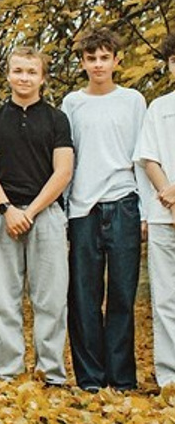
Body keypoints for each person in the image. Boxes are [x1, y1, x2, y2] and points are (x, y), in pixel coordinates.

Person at [0, 47, 75, 386]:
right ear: (8, 75)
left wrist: (30, 212)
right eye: (18, 71)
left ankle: (50, 373)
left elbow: (63, 171)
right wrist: (7, 209)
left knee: (50, 299)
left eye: (31, 72)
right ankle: (6, 372)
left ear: (42, 78)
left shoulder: (57, 119)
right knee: (2, 299)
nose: (24, 77)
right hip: (1, 215)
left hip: (45, 215)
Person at [62, 25, 148, 392]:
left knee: (122, 295)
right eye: (91, 58)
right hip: (83, 207)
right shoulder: (72, 103)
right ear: (82, 62)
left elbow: (142, 157)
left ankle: (122, 377)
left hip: (124, 202)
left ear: (116, 60)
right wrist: (66, 210)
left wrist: (143, 211)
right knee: (84, 297)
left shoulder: (132, 100)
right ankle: (91, 378)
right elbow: (66, 159)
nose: (98, 65)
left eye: (104, 58)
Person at [137, 31, 175, 390]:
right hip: (165, 217)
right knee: (165, 298)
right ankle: (169, 375)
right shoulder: (159, 107)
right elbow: (148, 157)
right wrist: (167, 191)